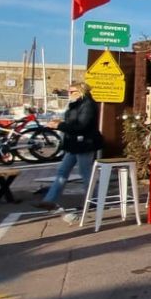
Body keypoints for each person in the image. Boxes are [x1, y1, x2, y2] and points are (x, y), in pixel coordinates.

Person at [36, 82, 102, 210]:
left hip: (84, 144)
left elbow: (82, 126)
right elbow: (74, 122)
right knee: (63, 171)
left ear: (81, 92)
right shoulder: (76, 104)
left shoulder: (88, 105)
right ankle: (49, 200)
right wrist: (61, 123)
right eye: (69, 92)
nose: (69, 94)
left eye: (72, 92)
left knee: (85, 173)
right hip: (73, 143)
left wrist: (59, 126)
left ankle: (93, 200)